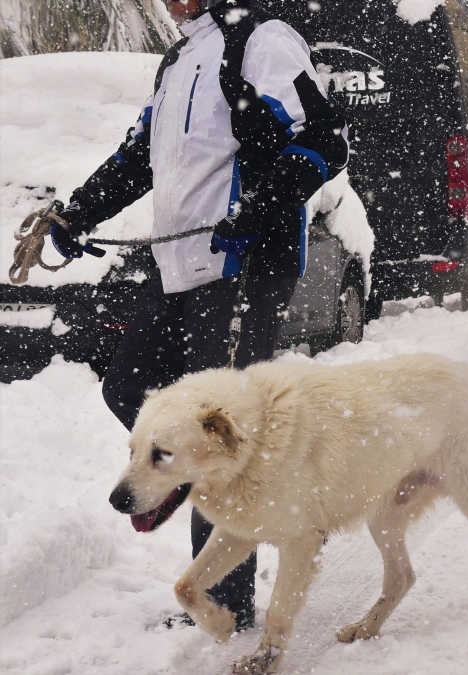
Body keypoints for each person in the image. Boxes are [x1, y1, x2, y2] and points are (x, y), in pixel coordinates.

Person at [48, 0, 349, 631]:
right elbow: (138, 158)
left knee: (217, 428)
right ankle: (223, 478)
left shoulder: (261, 42)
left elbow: (323, 136)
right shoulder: (180, 57)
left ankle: (226, 602)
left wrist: (267, 200)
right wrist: (77, 213)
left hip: (242, 265)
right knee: (130, 386)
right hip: (176, 267)